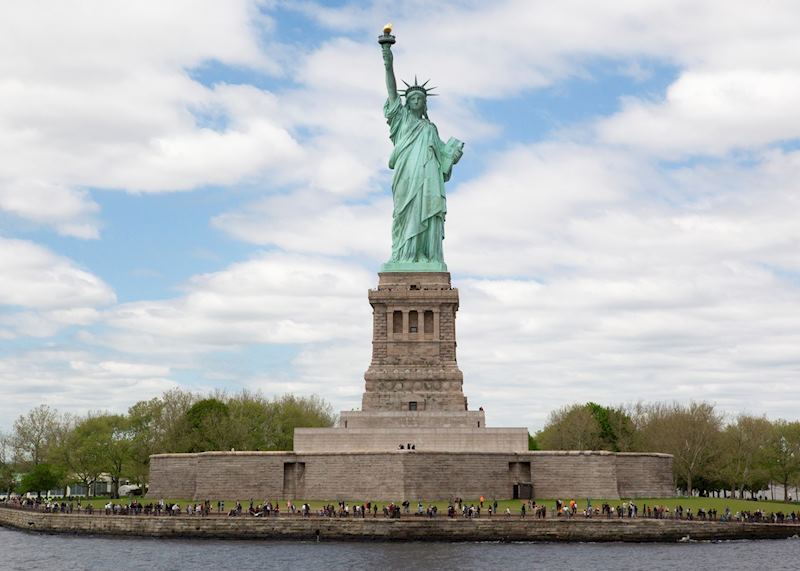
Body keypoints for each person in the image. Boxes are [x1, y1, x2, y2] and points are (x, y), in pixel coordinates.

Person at [380, 36, 463, 269]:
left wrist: (452, 155)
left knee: (425, 210)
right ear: (407, 103)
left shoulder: (430, 128)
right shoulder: (402, 119)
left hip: (428, 179)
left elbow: (444, 158)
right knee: (404, 213)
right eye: (412, 98)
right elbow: (391, 91)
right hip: (407, 175)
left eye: (420, 99)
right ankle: (404, 256)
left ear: (425, 104)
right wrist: (388, 61)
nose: (416, 100)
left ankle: (426, 256)